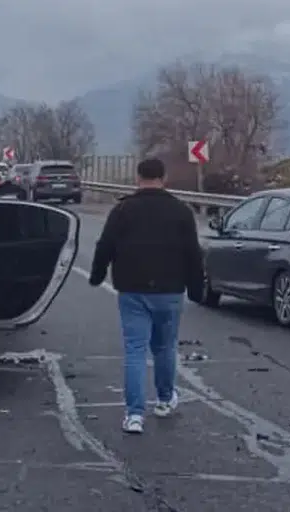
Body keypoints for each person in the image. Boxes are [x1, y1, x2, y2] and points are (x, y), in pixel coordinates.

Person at [89, 157, 204, 435]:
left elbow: (105, 245)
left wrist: (96, 275)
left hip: (132, 288)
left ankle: (134, 415)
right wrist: (196, 288)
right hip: (170, 289)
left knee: (135, 350)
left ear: (138, 178)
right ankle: (164, 400)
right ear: (164, 178)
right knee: (165, 347)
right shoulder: (181, 211)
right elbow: (193, 252)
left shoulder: (123, 210)